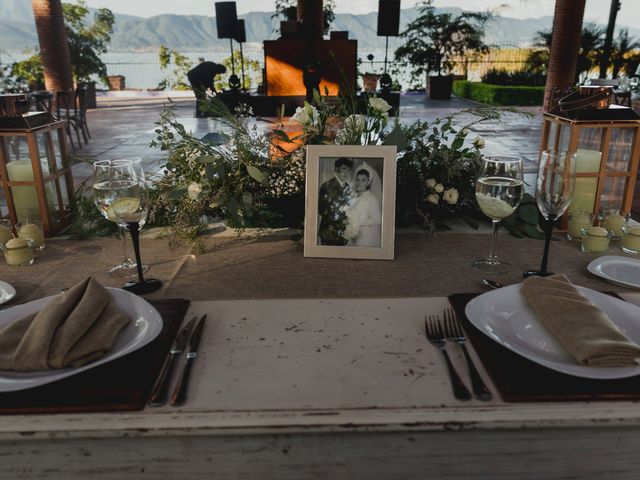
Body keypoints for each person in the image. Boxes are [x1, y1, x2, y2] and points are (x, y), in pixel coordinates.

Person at [345, 163, 382, 247]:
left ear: (368, 182)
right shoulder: (353, 197)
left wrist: (358, 222)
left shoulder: (372, 199)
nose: (359, 183)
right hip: (354, 235)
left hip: (366, 236)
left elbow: (377, 219)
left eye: (363, 180)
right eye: (358, 180)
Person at [318, 157, 353, 246]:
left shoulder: (348, 187)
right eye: (344, 168)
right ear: (336, 169)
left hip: (343, 232)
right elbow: (322, 210)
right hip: (329, 232)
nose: (346, 172)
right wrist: (341, 221)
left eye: (349, 170)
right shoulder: (327, 185)